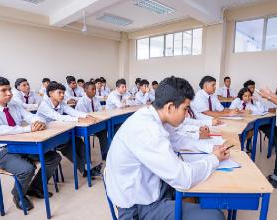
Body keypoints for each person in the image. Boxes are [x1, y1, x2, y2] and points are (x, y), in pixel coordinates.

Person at [105, 76, 227, 220]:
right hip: (139, 206)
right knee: (214, 215)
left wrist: (211, 147)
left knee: (201, 194)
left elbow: (176, 140)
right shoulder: (148, 129)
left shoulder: (153, 115)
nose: (187, 114)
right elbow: (183, 178)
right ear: (169, 107)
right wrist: (214, 159)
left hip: (149, 187)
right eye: (185, 109)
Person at [0, 76, 61, 211]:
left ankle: (35, 187)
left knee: (53, 157)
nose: (9, 93)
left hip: (22, 145)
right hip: (2, 151)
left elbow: (33, 117)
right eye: (3, 90)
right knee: (27, 169)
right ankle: (18, 195)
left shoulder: (14, 105)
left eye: (9, 89)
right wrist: (27, 128)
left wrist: (40, 122)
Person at [36, 82, 102, 178]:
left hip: (59, 132)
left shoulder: (61, 103)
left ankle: (88, 168)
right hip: (45, 136)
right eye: (60, 93)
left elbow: (72, 111)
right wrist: (79, 119)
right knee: (69, 147)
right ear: (50, 93)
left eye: (63, 93)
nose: (62, 95)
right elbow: (58, 117)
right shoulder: (44, 105)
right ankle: (86, 171)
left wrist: (86, 115)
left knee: (79, 142)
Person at [75, 82, 109, 159]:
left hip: (95, 123)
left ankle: (105, 154)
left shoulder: (96, 99)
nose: (95, 91)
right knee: (86, 139)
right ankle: (88, 161)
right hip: (85, 125)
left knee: (103, 132)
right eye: (92, 89)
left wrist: (97, 117)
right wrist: (95, 117)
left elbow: (100, 112)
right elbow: (84, 117)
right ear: (86, 90)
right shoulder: (81, 102)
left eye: (95, 89)